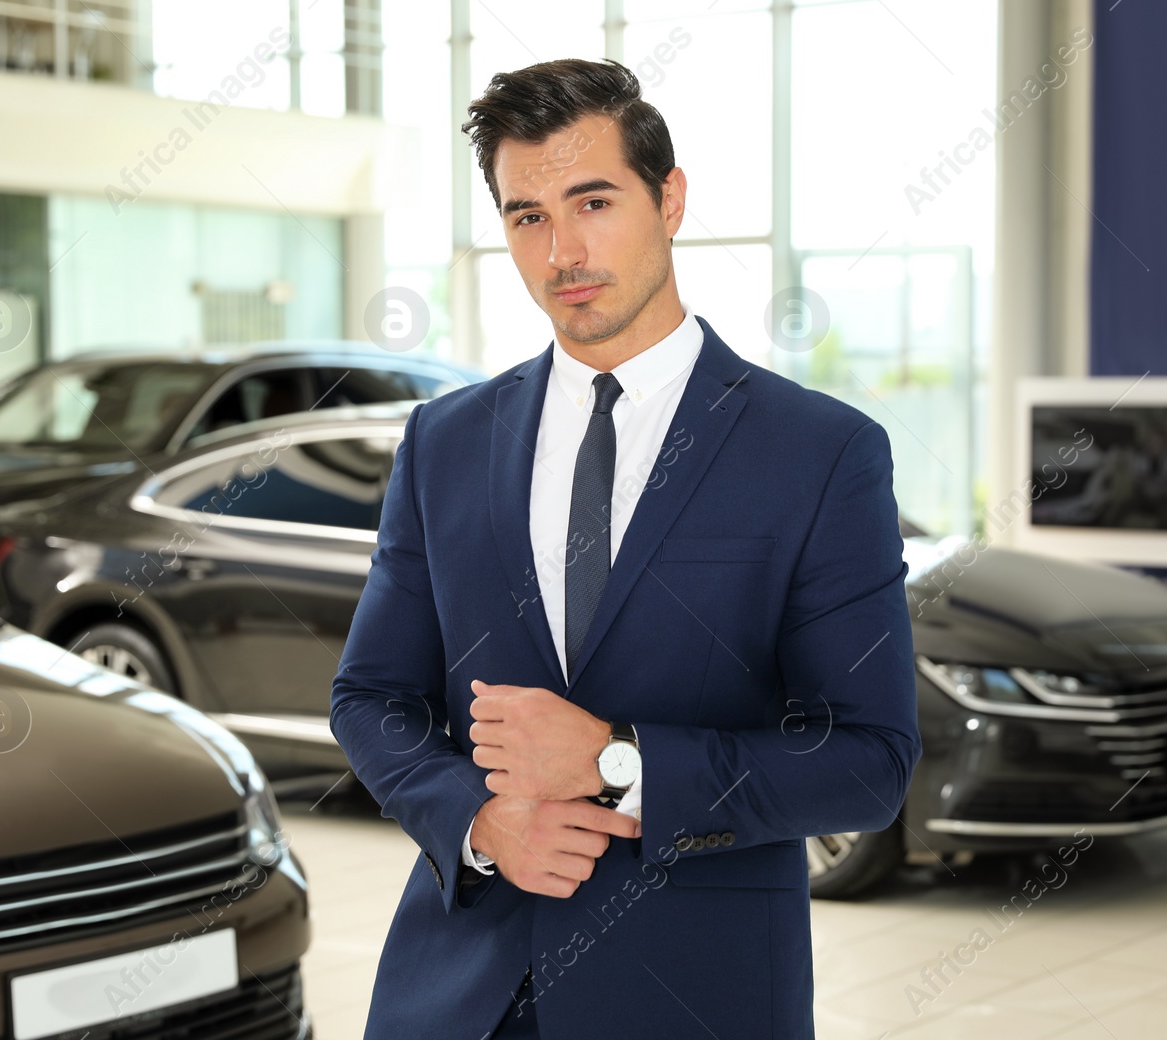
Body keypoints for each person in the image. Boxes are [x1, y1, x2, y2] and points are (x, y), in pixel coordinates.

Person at [329, 57, 920, 1040]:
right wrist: (477, 820)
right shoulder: (446, 441)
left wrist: (615, 760)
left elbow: (868, 761)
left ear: (669, 197)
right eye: (527, 215)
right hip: (460, 995)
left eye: (592, 200)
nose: (563, 249)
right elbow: (370, 698)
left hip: (695, 993)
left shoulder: (819, 453)